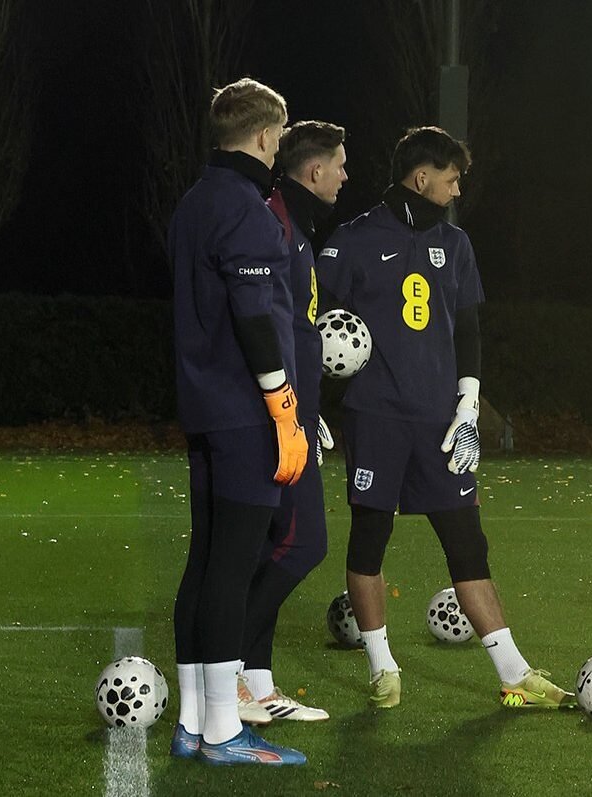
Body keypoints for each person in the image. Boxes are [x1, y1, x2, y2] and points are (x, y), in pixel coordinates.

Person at [317, 126, 575, 709]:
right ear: (422, 176)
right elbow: (317, 322)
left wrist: (467, 406)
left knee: (467, 543)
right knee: (369, 540)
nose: (457, 189)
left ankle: (513, 672)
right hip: (375, 417)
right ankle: (383, 668)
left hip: (439, 422)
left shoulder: (455, 244)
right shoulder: (353, 239)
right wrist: (315, 400)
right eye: (452, 178)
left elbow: (468, 331)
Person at [168, 77, 307, 765]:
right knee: (233, 565)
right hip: (245, 412)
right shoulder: (245, 207)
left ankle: (194, 720)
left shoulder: (194, 201)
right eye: (278, 136)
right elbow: (254, 318)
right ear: (264, 135)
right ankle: (224, 730)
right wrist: (283, 405)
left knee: (204, 561)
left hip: (203, 407)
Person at [232, 121, 350, 725]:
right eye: (340, 165)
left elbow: (292, 331)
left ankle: (254, 683)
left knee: (270, 548)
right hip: (277, 422)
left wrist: (312, 406)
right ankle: (227, 672)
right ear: (315, 170)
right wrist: (289, 409)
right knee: (303, 543)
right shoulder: (276, 228)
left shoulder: (294, 229)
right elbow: (262, 326)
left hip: (291, 415)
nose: (345, 176)